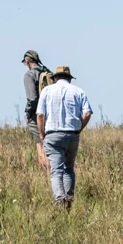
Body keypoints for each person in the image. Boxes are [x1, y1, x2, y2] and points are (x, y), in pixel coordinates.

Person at [36, 65, 92, 209]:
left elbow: (40, 115)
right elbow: (87, 113)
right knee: (69, 169)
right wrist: (79, 128)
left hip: (53, 135)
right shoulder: (79, 91)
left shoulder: (47, 91)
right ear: (70, 79)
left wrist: (41, 135)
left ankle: (61, 200)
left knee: (56, 171)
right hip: (72, 134)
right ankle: (69, 200)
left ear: (55, 78)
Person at [22, 50, 51, 170]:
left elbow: (32, 99)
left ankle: (47, 175)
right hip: (50, 113)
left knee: (40, 147)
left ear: (27, 61)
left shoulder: (29, 75)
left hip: (37, 115)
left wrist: (28, 113)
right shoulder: (46, 72)